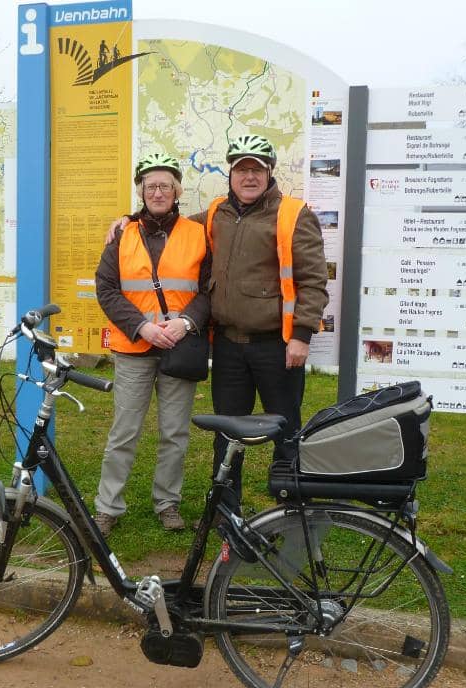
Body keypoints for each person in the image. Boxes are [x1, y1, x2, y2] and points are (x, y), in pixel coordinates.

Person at [105, 135, 327, 500]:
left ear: (269, 172)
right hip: (228, 346)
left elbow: (314, 280)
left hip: (277, 344)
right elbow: (165, 223)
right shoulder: (215, 214)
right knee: (226, 432)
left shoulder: (293, 214)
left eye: (257, 169)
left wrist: (302, 334)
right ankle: (225, 507)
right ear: (231, 175)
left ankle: (290, 502)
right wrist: (129, 220)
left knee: (286, 426)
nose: (249, 177)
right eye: (242, 169)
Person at [93, 153, 210, 537]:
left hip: (180, 346)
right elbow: (106, 289)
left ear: (177, 192)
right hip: (135, 349)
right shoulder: (122, 233)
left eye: (165, 186)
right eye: (150, 186)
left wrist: (186, 322)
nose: (158, 192)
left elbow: (209, 288)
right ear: (141, 191)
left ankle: (167, 503)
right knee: (124, 431)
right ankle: (108, 506)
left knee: (174, 433)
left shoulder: (198, 233)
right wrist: (141, 327)